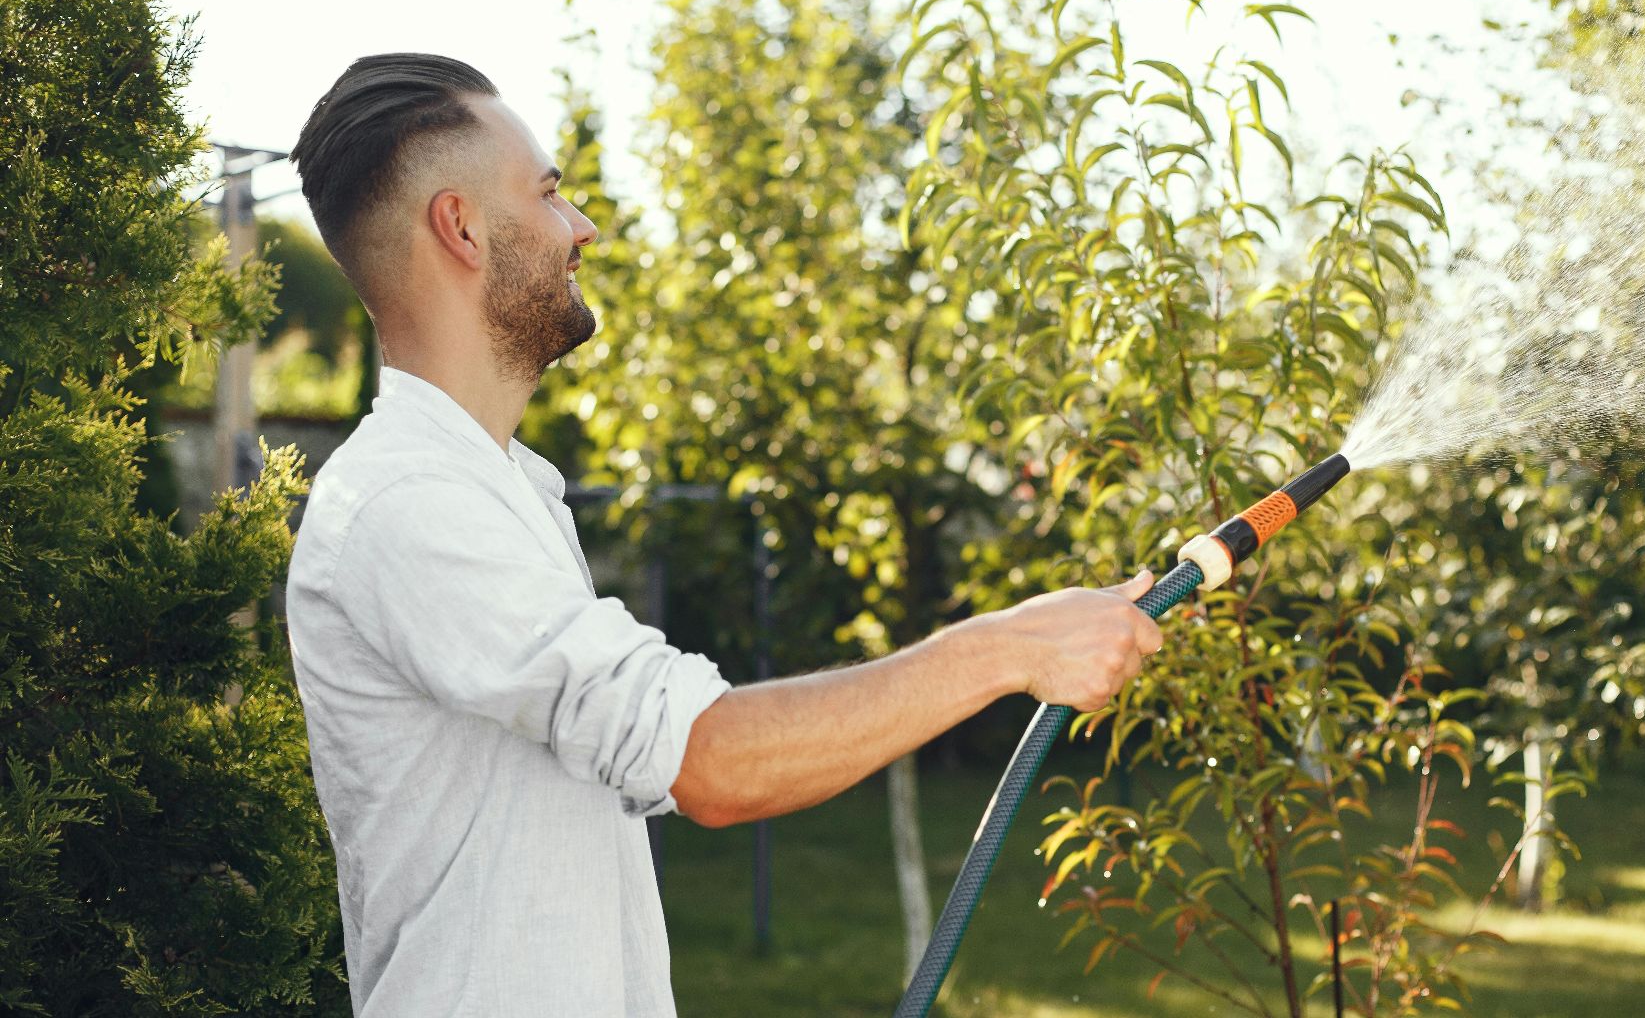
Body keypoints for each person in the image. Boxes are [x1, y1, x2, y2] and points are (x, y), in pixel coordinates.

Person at [282, 53, 1162, 1018]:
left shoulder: (500, 490)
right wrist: (1010, 647)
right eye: (549, 195)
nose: (585, 227)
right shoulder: (410, 504)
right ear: (461, 227)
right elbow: (710, 762)